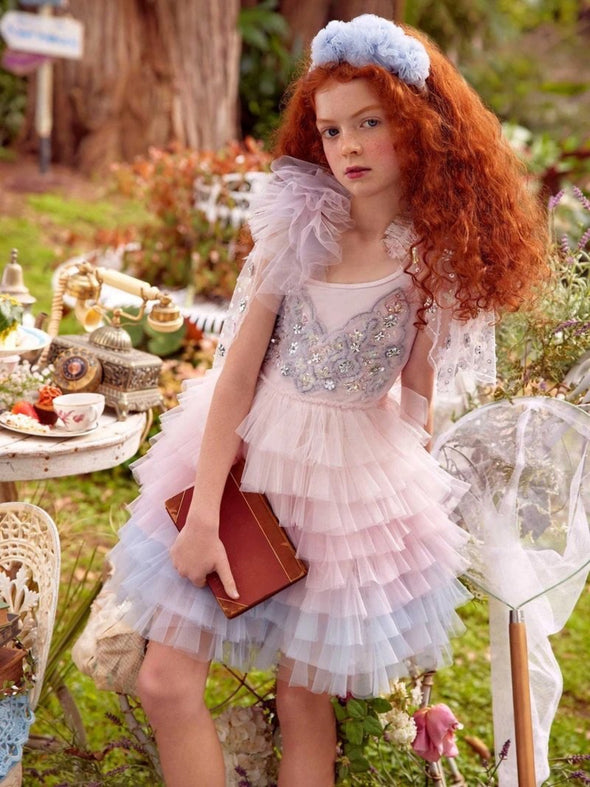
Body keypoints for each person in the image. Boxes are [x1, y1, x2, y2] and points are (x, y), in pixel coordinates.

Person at [105, 14, 548, 786]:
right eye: (332, 128)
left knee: (304, 699)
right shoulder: (301, 226)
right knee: (166, 680)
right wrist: (203, 514)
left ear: (417, 127)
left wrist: (400, 517)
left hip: (350, 489)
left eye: (369, 123)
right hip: (242, 460)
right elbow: (237, 375)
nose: (347, 146)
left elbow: (417, 396)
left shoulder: (433, 262)